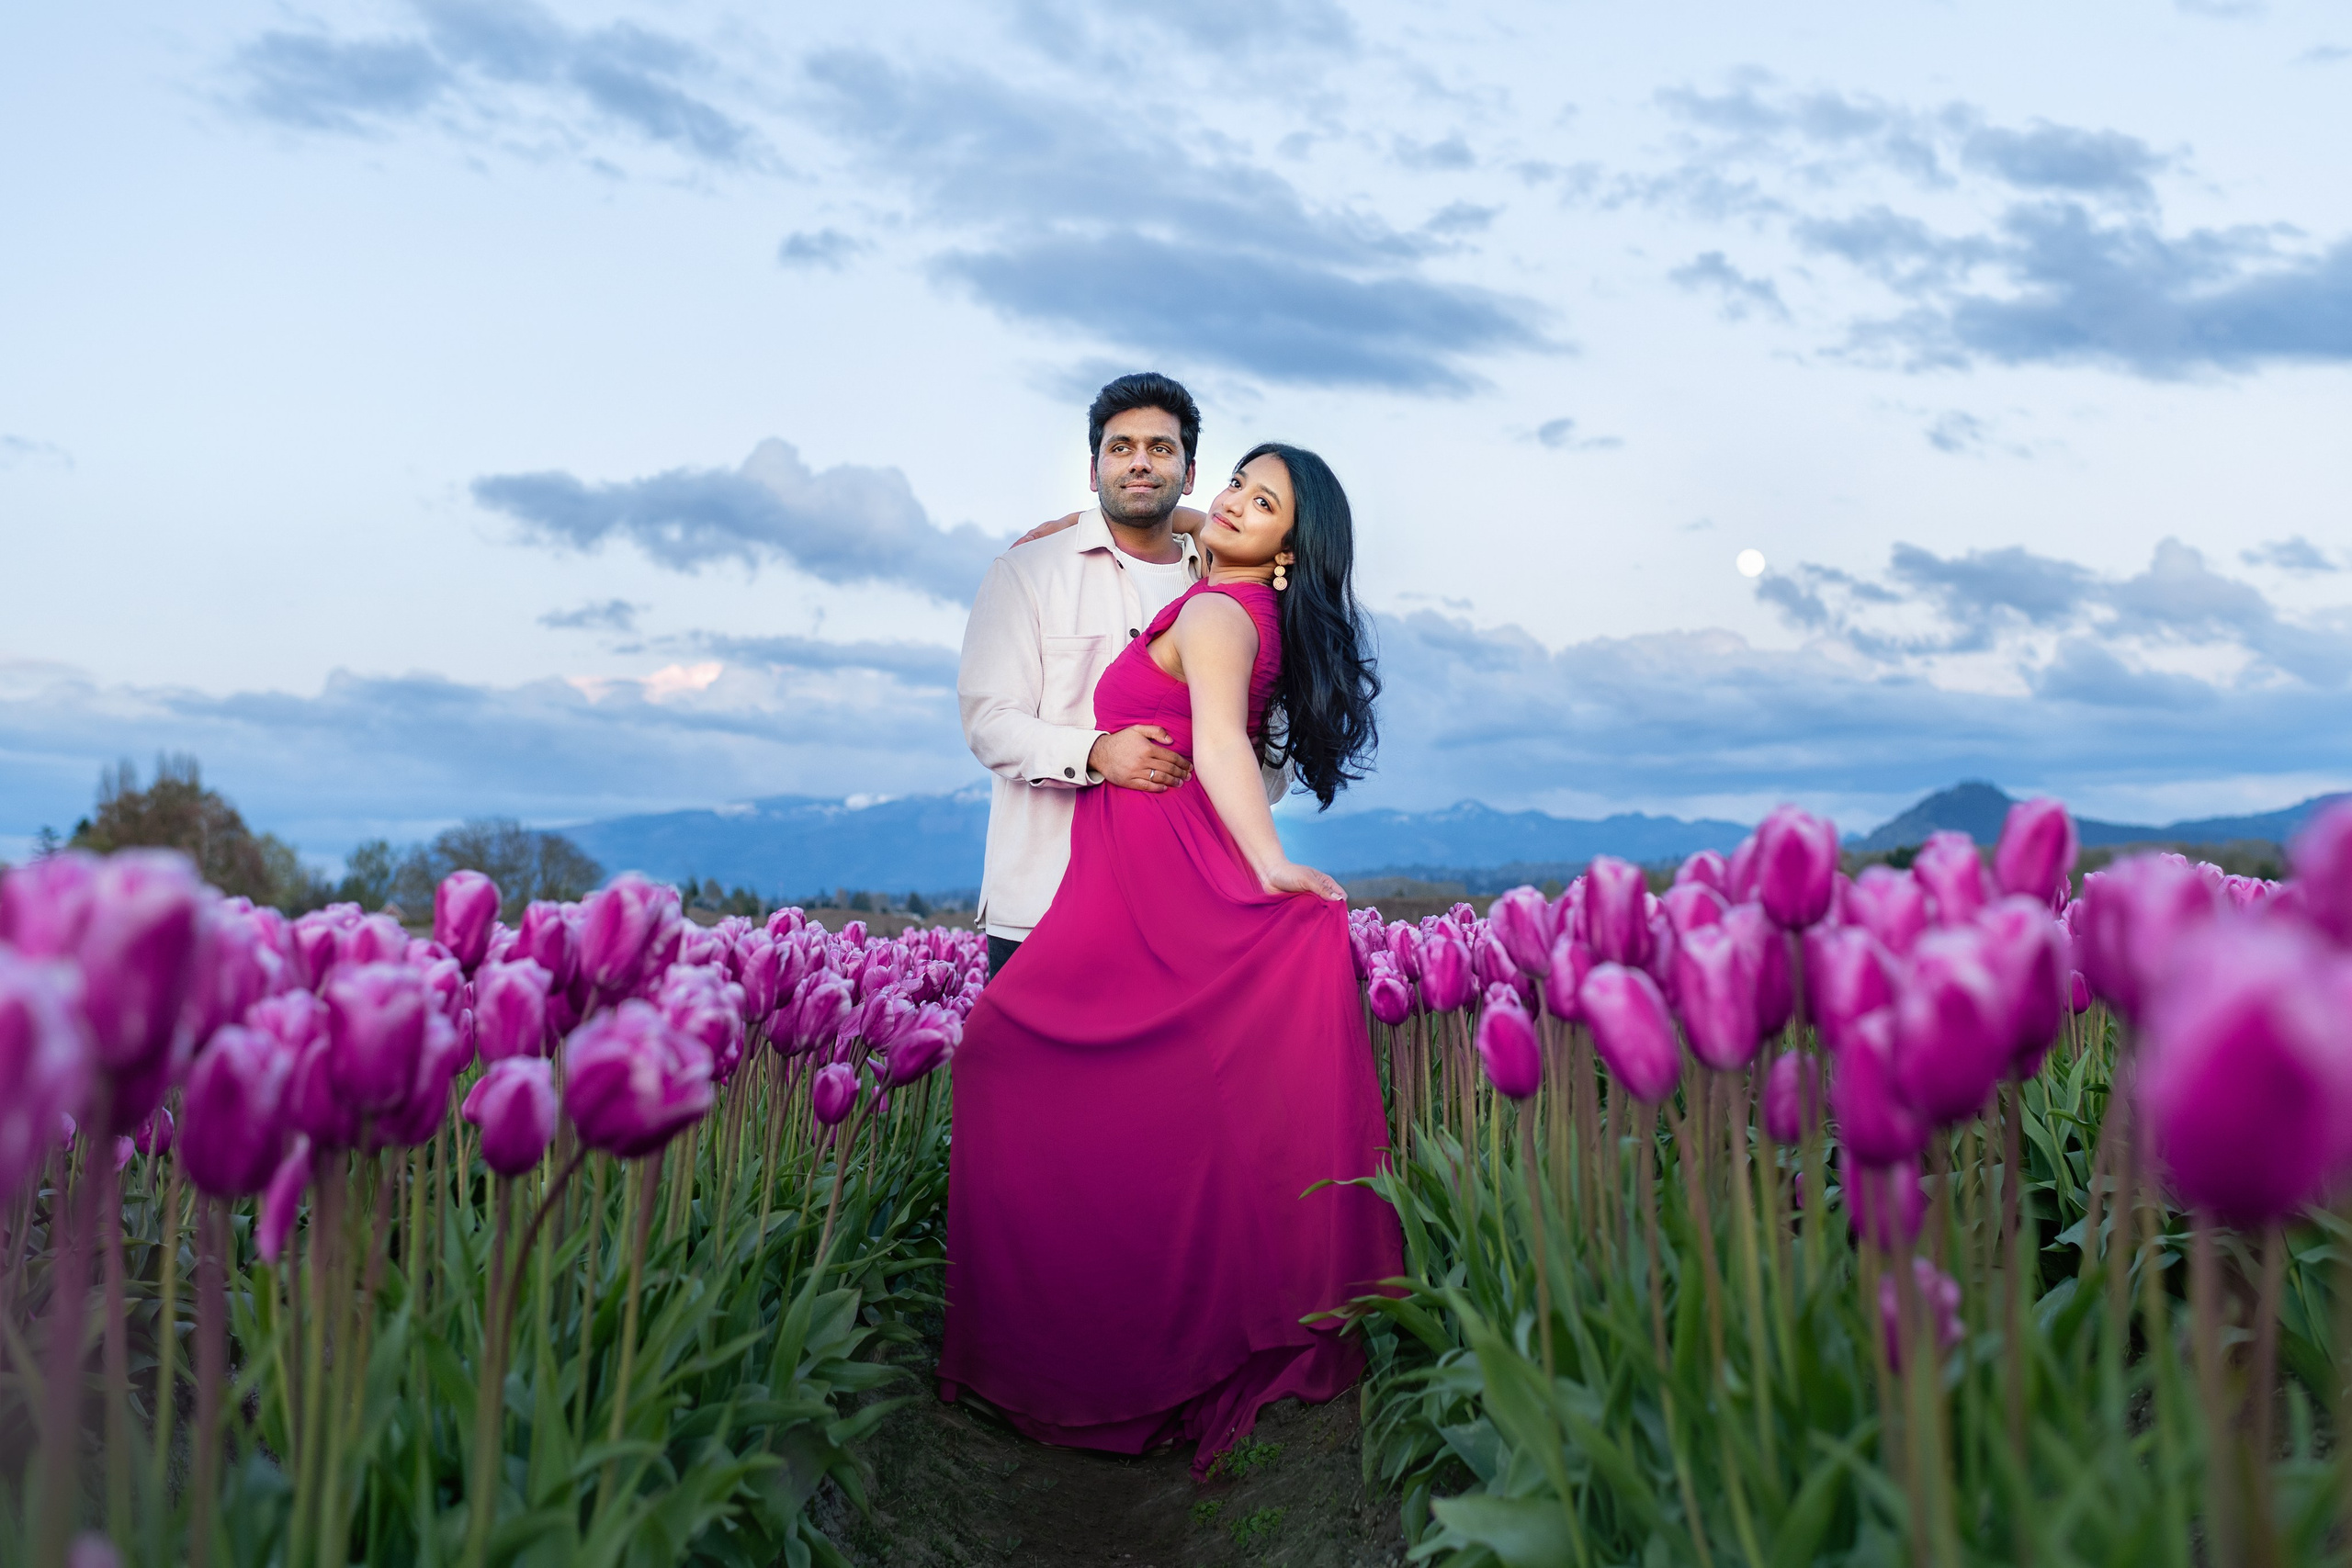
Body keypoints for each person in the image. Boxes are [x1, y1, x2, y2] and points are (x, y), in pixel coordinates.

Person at [939, 441, 1401, 1473]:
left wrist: (1272, 866)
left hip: (1157, 874)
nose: (1231, 501)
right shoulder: (1238, 600)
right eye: (1236, 480)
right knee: (1142, 1102)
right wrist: (1100, 529)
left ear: (1292, 545)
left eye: (1262, 501)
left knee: (1004, 1057)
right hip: (1136, 867)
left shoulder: (1211, 615)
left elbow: (1226, 747)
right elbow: (1206, 540)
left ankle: (1099, 1358)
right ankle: (1132, 1341)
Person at [959, 371, 1280, 980]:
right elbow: (989, 723)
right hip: (1044, 909)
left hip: (1187, 914)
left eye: (1161, 448)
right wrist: (1099, 753)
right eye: (1121, 447)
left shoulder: (1223, 592)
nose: (1140, 463)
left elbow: (1266, 756)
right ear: (1093, 468)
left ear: (1188, 475)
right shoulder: (1028, 572)